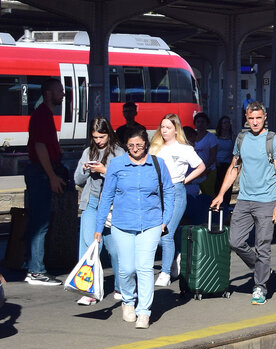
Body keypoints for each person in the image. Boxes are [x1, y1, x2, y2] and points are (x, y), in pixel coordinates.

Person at [96, 126, 174, 329]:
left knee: (144, 267)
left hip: (151, 223)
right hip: (122, 224)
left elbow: (169, 191)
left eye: (139, 144)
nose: (135, 148)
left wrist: (165, 219)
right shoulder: (117, 165)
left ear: (146, 144)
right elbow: (107, 196)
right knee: (127, 269)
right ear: (126, 146)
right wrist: (98, 226)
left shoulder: (157, 164)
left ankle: (144, 312)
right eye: (131, 145)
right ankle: (128, 300)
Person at [211, 101, 276, 305]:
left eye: (258, 118)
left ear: (265, 117)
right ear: (246, 118)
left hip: (266, 201)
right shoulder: (241, 138)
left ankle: (260, 287)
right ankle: (260, 267)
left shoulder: (274, 141)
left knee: (263, 246)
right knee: (235, 241)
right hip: (244, 200)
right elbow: (234, 168)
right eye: (251, 118)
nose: (255, 122)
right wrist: (221, 194)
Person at [71, 118, 125, 305]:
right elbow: (77, 180)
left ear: (109, 133)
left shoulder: (118, 152)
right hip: (92, 202)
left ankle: (121, 287)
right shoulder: (88, 151)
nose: (98, 141)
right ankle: (88, 289)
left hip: (111, 206)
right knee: (91, 245)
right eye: (95, 137)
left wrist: (104, 170)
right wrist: (86, 169)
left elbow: (123, 180)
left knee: (115, 250)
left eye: (102, 136)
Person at [149, 114, 205, 287]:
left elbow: (201, 166)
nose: (164, 130)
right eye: (162, 127)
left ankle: (165, 272)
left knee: (166, 233)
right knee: (156, 234)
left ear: (176, 129)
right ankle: (174, 256)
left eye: (168, 127)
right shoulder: (155, 148)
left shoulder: (184, 149)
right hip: (157, 192)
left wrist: (184, 181)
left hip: (176, 191)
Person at [24, 77, 66, 285]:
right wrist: (52, 176)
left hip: (40, 172)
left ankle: (32, 264)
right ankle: (36, 271)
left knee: (37, 221)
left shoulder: (43, 114)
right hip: (40, 173)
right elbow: (40, 146)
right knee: (41, 222)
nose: (63, 94)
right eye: (60, 91)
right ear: (48, 93)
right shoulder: (42, 115)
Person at [190, 112, 219, 219]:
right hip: (194, 172)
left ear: (207, 124)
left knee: (209, 195)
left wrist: (204, 169)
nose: (200, 124)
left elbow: (213, 156)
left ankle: (213, 216)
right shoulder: (192, 136)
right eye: (198, 122)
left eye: (203, 122)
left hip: (208, 171)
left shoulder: (211, 138)